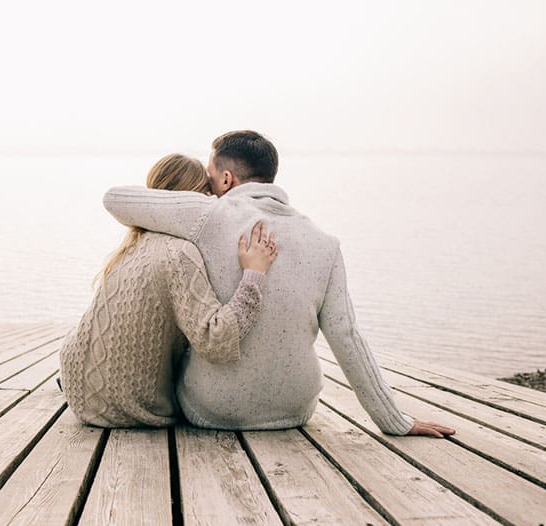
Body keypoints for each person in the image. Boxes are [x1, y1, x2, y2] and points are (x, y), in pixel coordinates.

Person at [103, 131, 455, 438]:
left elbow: (115, 199)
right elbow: (347, 337)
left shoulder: (207, 216)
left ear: (226, 180)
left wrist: (193, 201)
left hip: (211, 412)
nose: (207, 192)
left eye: (209, 182)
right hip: (295, 412)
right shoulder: (325, 244)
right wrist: (396, 421)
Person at [59, 153, 278, 428]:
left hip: (77, 386)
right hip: (126, 407)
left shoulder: (132, 245)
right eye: (208, 194)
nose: (214, 202)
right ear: (192, 199)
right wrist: (254, 275)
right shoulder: (180, 254)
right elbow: (216, 341)